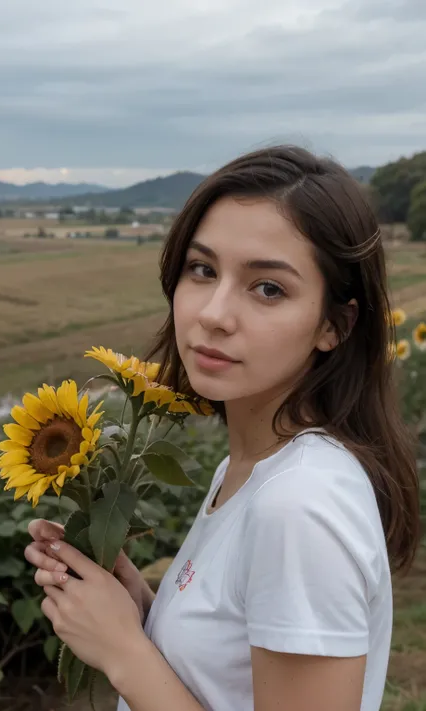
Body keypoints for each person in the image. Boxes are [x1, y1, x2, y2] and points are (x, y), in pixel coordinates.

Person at [25, 145, 420, 711]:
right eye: (202, 269)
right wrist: (143, 613)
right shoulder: (253, 468)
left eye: (268, 288)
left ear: (335, 324)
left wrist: (123, 653)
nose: (213, 313)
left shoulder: (298, 505)